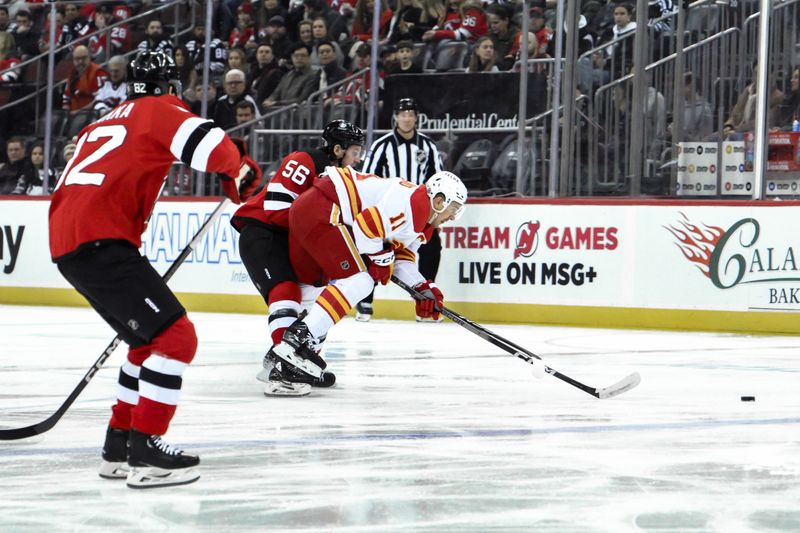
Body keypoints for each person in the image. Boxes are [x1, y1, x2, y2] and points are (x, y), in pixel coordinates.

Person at [48, 51, 262, 489]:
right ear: (170, 86)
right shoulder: (159, 110)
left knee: (145, 342)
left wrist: (229, 169)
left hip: (67, 241)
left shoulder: (100, 122)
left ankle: (119, 444)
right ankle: (147, 449)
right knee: (177, 336)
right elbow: (212, 147)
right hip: (102, 239)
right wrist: (237, 167)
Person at [269, 169, 467, 393]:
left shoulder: (422, 218)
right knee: (360, 280)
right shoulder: (411, 204)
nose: (453, 217)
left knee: (335, 284)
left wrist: (421, 288)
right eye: (454, 209)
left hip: (316, 209)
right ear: (440, 201)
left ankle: (290, 359)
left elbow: (402, 258)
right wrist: (381, 260)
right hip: (322, 208)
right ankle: (296, 340)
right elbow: (366, 227)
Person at [230, 120, 365, 396]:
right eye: (355, 151)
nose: (358, 158)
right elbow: (276, 208)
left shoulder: (343, 180)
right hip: (263, 232)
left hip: (290, 239)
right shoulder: (304, 160)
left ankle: (293, 359)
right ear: (338, 149)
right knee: (285, 290)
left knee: (317, 299)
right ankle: (285, 367)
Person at [357, 97, 444, 321]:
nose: (406, 118)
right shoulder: (381, 145)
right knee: (377, 250)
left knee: (432, 247)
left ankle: (425, 298)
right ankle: (365, 300)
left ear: (416, 118)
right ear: (396, 116)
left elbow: (438, 180)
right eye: (402, 114)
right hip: (388, 211)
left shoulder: (428, 146)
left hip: (421, 210)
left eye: (410, 114)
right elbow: (368, 177)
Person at [262, 43, 318, 110]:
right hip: (283, 115)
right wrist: (269, 100)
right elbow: (276, 93)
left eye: (303, 55)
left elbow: (302, 98)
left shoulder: (313, 75)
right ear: (292, 57)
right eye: (296, 55)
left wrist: (276, 103)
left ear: (309, 57)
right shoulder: (288, 75)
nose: (299, 58)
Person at [62, 44, 107, 113]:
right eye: (77, 59)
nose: (80, 62)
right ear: (73, 60)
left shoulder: (98, 73)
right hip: (74, 117)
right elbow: (66, 96)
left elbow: (100, 100)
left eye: (83, 58)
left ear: (89, 58)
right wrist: (66, 113)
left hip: (91, 116)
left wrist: (78, 112)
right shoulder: (73, 73)